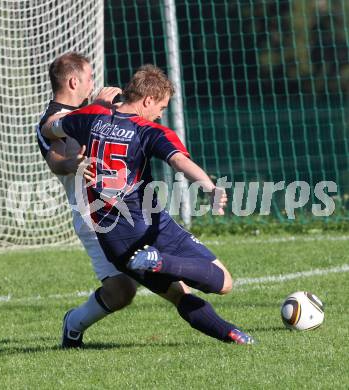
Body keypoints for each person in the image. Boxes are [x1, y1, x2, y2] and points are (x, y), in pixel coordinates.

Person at [42, 64, 255, 345]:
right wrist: (209, 186)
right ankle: (165, 265)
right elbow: (179, 161)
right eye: (162, 107)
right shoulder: (148, 130)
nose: (160, 114)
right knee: (222, 283)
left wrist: (82, 123)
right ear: (147, 100)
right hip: (149, 224)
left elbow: (49, 127)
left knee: (183, 293)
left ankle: (232, 334)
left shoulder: (91, 116)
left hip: (118, 239)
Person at [36, 52, 136, 348]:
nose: (94, 82)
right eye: (91, 77)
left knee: (164, 263)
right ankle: (74, 323)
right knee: (122, 292)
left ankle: (208, 318)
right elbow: (57, 161)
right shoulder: (52, 120)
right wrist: (74, 164)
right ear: (73, 80)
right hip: (92, 215)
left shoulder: (93, 110)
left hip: (126, 205)